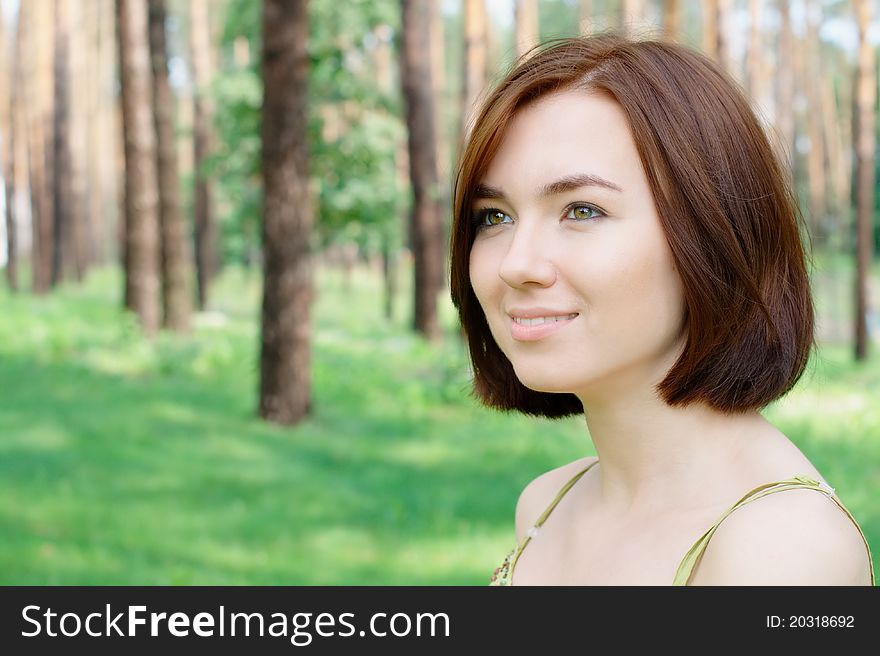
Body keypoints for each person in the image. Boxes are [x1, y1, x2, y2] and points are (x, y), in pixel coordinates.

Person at [448, 33, 874, 585]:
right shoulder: (548, 504)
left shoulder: (781, 551)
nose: (516, 264)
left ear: (710, 236)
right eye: (495, 216)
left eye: (581, 210)